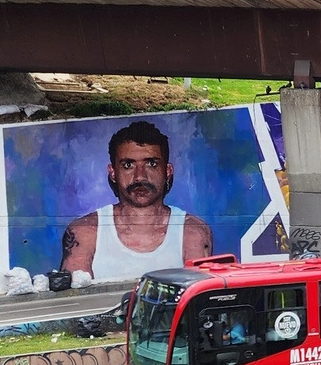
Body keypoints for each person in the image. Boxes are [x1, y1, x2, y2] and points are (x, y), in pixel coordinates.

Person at [60, 120, 213, 281]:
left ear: (167, 171)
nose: (140, 176)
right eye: (128, 165)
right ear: (113, 172)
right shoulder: (85, 232)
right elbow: (76, 295)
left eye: (151, 164)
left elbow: (198, 293)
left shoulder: (192, 232)